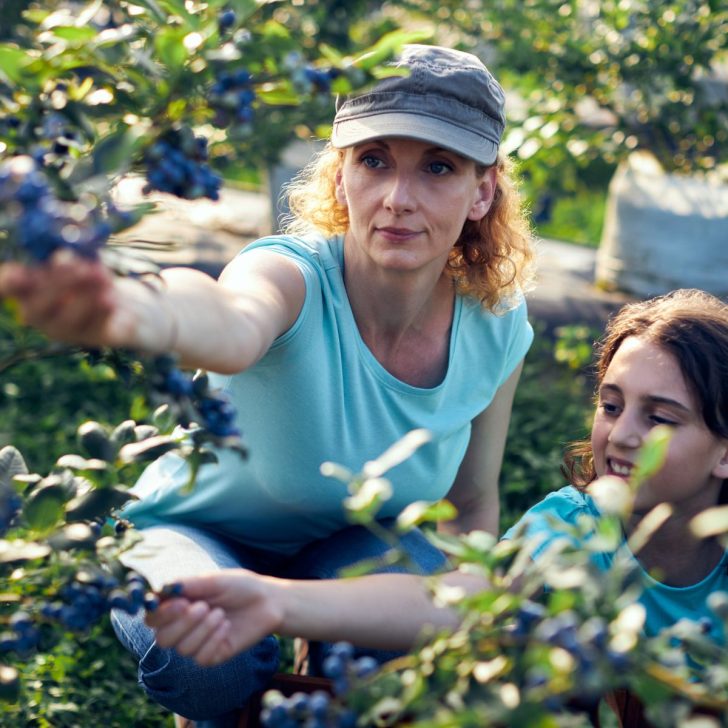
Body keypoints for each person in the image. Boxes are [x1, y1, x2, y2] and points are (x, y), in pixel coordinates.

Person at [0, 45, 535, 725]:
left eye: (438, 168)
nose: (399, 199)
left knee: (391, 652)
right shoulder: (291, 276)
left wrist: (460, 601)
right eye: (374, 161)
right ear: (341, 176)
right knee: (207, 660)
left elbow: (469, 504)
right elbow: (228, 318)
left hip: (348, 540)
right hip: (190, 529)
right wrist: (132, 309)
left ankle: (324, 664)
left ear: (482, 191)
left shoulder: (495, 325)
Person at [145, 289, 728, 666]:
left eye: (660, 418)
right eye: (611, 405)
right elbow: (453, 602)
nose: (622, 434)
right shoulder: (572, 532)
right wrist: (278, 602)